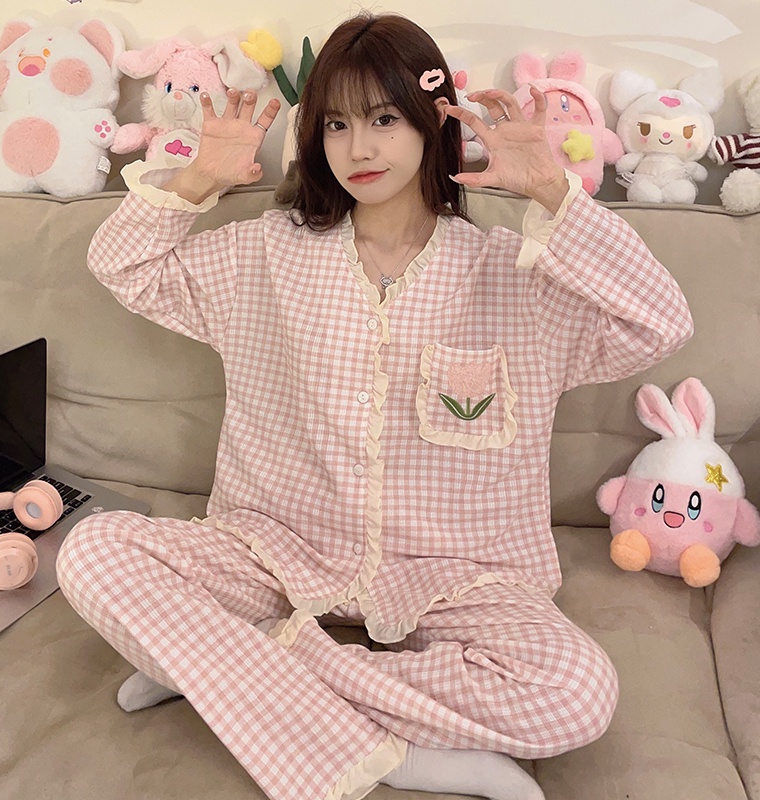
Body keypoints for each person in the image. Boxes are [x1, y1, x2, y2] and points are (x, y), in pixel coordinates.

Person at [56, 12, 693, 800]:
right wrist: (196, 181)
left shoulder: (519, 276)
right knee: (94, 551)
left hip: (457, 577)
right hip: (273, 552)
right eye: (337, 124)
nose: (359, 147)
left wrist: (554, 194)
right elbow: (125, 266)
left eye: (385, 119)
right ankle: (399, 755)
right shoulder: (265, 253)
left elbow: (662, 323)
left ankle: (221, 665)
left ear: (432, 122)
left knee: (576, 693)